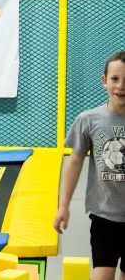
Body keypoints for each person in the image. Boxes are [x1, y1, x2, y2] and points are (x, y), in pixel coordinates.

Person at [54, 51, 125, 280]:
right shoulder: (89, 119)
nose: (121, 86)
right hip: (104, 217)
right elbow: (74, 161)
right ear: (104, 80)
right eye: (115, 79)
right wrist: (63, 206)